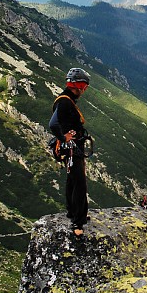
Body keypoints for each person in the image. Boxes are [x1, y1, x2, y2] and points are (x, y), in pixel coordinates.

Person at [49, 67, 91, 236]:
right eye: (84, 87)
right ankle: (78, 223)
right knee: (79, 182)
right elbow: (53, 124)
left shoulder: (66, 100)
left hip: (71, 148)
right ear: (79, 86)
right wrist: (64, 137)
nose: (84, 91)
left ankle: (72, 212)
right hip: (72, 148)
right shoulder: (65, 102)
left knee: (72, 180)